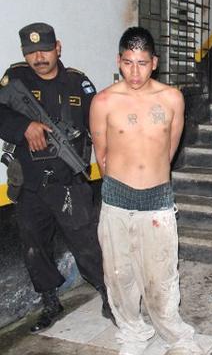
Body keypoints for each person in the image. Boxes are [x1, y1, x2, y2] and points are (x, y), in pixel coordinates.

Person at [90, 27, 200, 355]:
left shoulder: (172, 98)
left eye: (142, 63)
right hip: (116, 198)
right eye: (128, 63)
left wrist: (152, 177)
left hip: (157, 199)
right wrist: (122, 185)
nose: (135, 72)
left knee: (162, 277)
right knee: (119, 276)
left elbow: (169, 149)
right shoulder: (103, 101)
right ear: (118, 61)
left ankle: (175, 335)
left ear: (155, 62)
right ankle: (133, 333)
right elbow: (102, 155)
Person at [0, 22, 113, 333]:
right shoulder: (16, 78)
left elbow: (99, 125)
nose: (39, 57)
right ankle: (50, 301)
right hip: (31, 185)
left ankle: (108, 295)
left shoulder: (78, 82)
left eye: (45, 50)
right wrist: (24, 126)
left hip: (69, 182)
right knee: (34, 247)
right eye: (31, 52)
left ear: (58, 48)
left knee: (87, 243)